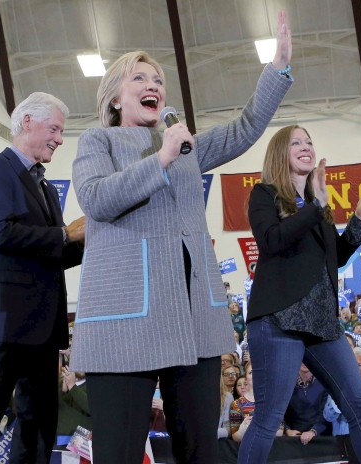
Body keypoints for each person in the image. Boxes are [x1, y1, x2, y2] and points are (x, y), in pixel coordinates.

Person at [69, 11, 293, 464]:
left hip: (192, 322)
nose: (154, 85)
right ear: (114, 97)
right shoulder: (99, 142)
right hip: (124, 325)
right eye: (139, 78)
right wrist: (162, 159)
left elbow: (245, 128)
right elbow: (95, 200)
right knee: (119, 454)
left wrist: (278, 69)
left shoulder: (184, 145)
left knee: (199, 454)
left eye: (158, 79)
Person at [0, 92, 85, 464]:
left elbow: (54, 253)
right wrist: (65, 234)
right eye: (54, 128)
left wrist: (90, 238)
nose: (58, 138)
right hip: (2, 320)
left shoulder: (46, 190)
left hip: (43, 326)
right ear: (27, 123)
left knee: (39, 423)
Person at [238, 124, 361, 464]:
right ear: (281, 153)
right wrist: (315, 207)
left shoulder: (316, 203)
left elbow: (333, 256)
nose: (306, 146)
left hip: (322, 325)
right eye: (296, 142)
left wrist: (359, 216)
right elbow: (271, 240)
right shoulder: (264, 194)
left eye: (309, 141)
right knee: (267, 419)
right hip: (279, 321)